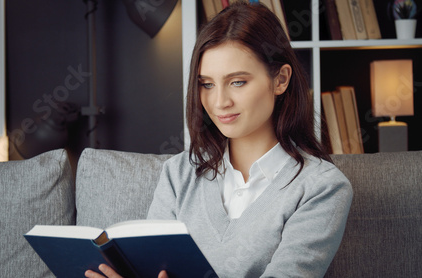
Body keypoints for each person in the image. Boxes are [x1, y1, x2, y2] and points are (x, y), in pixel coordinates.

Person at [86, 2, 353, 277]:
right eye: (207, 84)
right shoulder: (179, 175)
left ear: (280, 80)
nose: (219, 102)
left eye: (237, 82)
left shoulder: (322, 188)